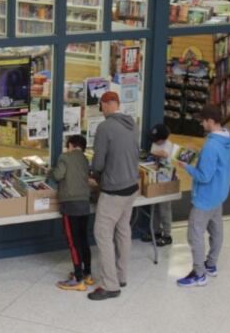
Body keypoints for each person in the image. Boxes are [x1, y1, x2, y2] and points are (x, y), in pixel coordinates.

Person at [175, 104, 230, 287]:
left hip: (205, 198)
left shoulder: (211, 146)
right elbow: (216, 164)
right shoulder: (229, 135)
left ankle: (199, 273)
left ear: (210, 121)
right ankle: (211, 264)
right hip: (220, 192)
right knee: (216, 230)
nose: (201, 124)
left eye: (202, 121)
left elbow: (204, 176)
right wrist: (199, 153)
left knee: (195, 234)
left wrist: (187, 167)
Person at [88, 91, 140, 301]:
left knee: (102, 234)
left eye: (101, 106)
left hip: (113, 190)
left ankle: (110, 285)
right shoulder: (132, 124)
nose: (101, 110)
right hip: (131, 187)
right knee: (123, 231)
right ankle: (121, 276)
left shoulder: (105, 127)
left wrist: (93, 175)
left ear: (108, 104)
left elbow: (99, 163)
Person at [49, 134, 94, 291]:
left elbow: (57, 175)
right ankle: (87, 273)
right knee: (83, 239)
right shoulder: (85, 159)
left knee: (73, 242)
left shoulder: (65, 157)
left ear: (70, 145)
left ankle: (78, 279)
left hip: (70, 204)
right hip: (84, 203)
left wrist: (50, 171)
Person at [141, 123, 174, 246]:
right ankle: (155, 231)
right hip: (155, 180)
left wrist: (153, 153)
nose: (155, 142)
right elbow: (153, 154)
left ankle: (167, 234)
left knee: (164, 210)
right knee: (154, 209)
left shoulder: (169, 145)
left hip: (166, 182)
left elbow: (164, 154)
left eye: (157, 140)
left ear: (164, 139)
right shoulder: (155, 143)